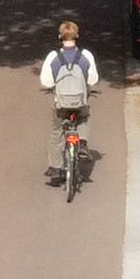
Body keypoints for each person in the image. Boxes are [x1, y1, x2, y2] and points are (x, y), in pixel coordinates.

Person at [39, 19, 99, 184]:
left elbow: (46, 81)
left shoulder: (54, 57)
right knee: (84, 115)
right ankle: (82, 143)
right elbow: (93, 79)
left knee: (56, 131)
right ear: (77, 36)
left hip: (61, 104)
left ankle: (55, 167)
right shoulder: (85, 56)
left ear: (60, 36)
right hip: (79, 102)